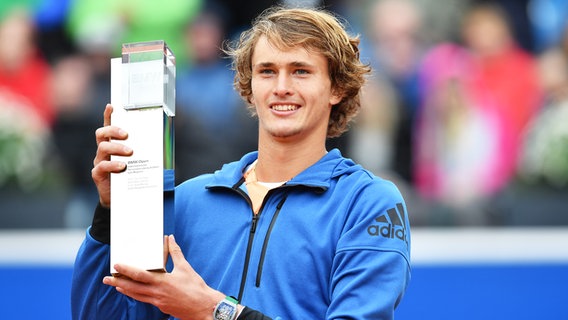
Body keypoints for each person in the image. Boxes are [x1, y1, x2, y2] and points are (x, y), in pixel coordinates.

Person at [71, 6, 411, 320]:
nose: (281, 87)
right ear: (249, 86)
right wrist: (111, 213)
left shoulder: (368, 203)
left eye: (300, 71)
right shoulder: (186, 201)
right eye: (267, 71)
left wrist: (212, 310)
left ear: (336, 88)